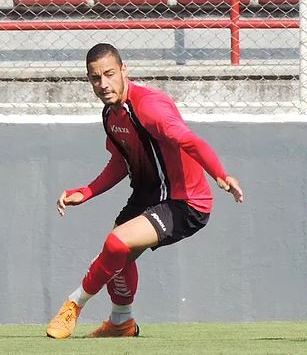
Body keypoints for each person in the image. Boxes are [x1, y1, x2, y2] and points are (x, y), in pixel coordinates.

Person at [46, 43, 243, 339]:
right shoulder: (111, 114)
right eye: (95, 78)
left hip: (185, 201)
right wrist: (86, 192)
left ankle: (74, 303)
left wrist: (220, 174)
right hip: (148, 195)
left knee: (115, 244)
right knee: (113, 256)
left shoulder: (150, 107)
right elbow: (121, 161)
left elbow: (189, 141)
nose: (103, 84)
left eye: (109, 74)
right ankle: (121, 322)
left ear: (125, 70)